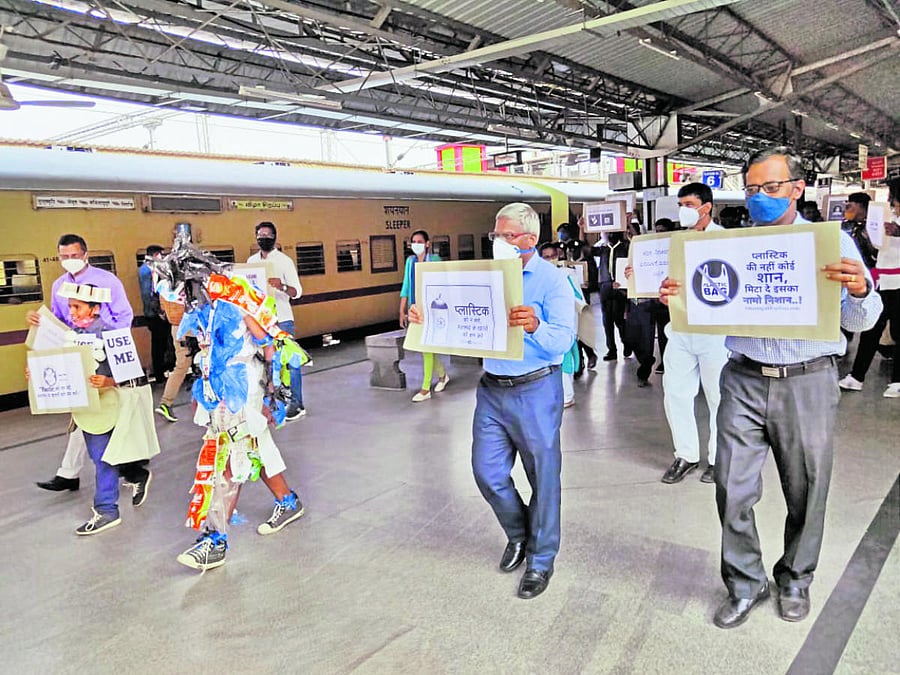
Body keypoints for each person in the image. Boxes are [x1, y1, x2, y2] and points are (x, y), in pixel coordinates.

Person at [661, 147, 881, 629]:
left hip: (807, 380)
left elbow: (859, 318)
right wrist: (678, 298)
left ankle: (795, 578)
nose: (760, 197)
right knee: (731, 487)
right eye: (753, 188)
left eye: (772, 187)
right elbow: (706, 307)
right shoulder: (731, 249)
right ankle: (745, 582)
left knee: (806, 488)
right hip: (742, 376)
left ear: (797, 189)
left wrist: (861, 292)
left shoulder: (832, 244)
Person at [409, 203, 575, 599]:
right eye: (495, 236)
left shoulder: (552, 281)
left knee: (543, 478)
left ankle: (540, 559)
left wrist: (534, 326)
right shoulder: (482, 277)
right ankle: (519, 534)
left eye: (506, 236)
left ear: (529, 240)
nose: (497, 242)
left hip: (536, 388)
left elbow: (564, 341)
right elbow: (458, 321)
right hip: (492, 389)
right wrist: (423, 319)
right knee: (487, 472)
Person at [162, 241, 306, 571]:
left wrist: (273, 391)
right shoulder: (199, 306)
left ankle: (216, 539)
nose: (180, 297)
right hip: (216, 386)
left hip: (244, 386)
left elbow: (268, 341)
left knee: (231, 456)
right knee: (256, 445)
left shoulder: (235, 297)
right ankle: (288, 501)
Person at [27, 234, 140, 495]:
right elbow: (58, 321)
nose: (69, 261)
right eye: (64, 257)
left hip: (103, 353)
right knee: (84, 414)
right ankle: (70, 473)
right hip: (76, 354)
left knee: (101, 414)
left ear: (85, 255)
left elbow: (125, 316)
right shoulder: (58, 286)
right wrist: (39, 322)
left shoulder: (107, 281)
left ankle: (127, 467)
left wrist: (105, 339)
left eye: (74, 256)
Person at [54, 282, 155, 534]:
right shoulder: (71, 335)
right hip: (87, 410)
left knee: (103, 459)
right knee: (103, 456)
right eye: (70, 307)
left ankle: (107, 510)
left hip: (110, 407)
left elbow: (135, 375)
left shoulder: (113, 336)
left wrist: (108, 381)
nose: (73, 312)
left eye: (77, 307)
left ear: (95, 308)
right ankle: (135, 474)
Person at [659, 183, 729, 485]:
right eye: (680, 204)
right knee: (675, 392)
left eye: (689, 204)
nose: (683, 210)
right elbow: (662, 282)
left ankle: (718, 459)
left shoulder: (726, 241)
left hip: (715, 332)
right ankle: (686, 454)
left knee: (718, 396)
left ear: (706, 207)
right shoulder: (675, 242)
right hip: (680, 329)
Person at [839, 178, 900, 397]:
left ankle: (897, 380)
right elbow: (877, 245)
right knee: (871, 328)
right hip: (883, 280)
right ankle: (857, 376)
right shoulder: (887, 216)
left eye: (894, 195)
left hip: (898, 281)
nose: (892, 200)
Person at [247, 221, 306, 420]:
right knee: (267, 364)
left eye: (267, 235)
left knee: (290, 363)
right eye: (260, 235)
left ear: (274, 237)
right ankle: (274, 402)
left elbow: (297, 292)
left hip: (282, 319)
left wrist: (281, 286)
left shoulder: (284, 261)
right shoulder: (251, 262)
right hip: (261, 322)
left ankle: (296, 404)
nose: (263, 238)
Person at [399, 230, 449, 402]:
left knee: (426, 347)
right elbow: (406, 285)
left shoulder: (435, 260)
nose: (416, 244)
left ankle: (426, 388)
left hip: (433, 309)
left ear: (428, 243)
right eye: (413, 241)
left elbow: (442, 284)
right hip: (416, 311)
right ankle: (442, 376)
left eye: (420, 241)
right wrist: (402, 310)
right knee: (426, 347)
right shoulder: (410, 261)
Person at [139, 245, 173, 384]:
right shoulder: (149, 270)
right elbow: (150, 294)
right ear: (156, 255)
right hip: (155, 315)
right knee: (159, 344)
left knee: (161, 344)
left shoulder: (146, 269)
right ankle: (159, 374)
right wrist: (160, 312)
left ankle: (161, 371)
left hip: (153, 313)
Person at [596, 230, 630, 361]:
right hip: (605, 285)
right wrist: (582, 229)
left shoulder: (624, 246)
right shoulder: (603, 248)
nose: (607, 235)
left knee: (619, 319)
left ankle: (626, 343)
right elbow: (585, 248)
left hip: (619, 285)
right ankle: (612, 349)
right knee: (607, 320)